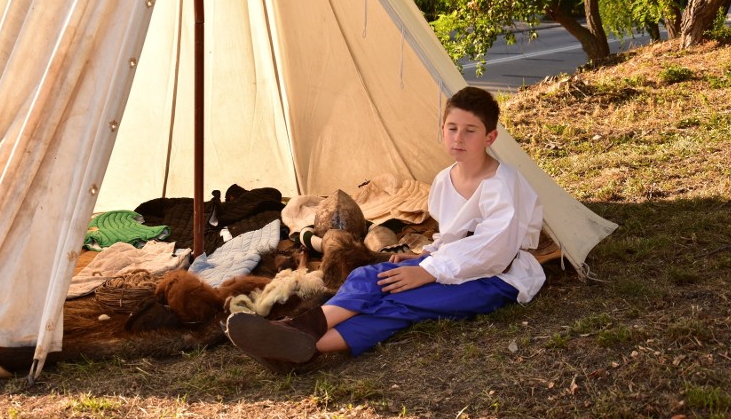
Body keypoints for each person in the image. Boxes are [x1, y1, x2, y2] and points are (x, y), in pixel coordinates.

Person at [225, 86, 546, 373]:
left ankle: (302, 348)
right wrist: (421, 257)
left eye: (470, 131)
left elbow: (493, 252)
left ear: (490, 137)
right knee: (368, 276)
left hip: (497, 278)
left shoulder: (503, 184)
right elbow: (453, 240)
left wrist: (427, 271)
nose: (459, 138)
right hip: (451, 264)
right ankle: (298, 333)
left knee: (400, 302)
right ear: (443, 131)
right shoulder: (445, 180)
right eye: (452, 128)